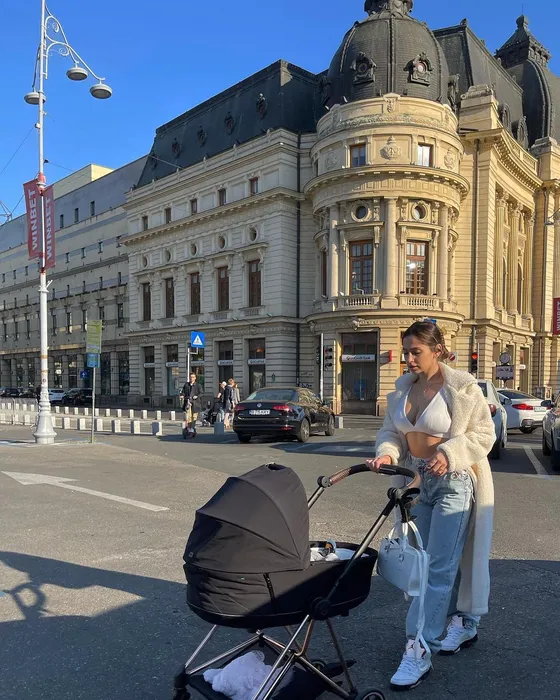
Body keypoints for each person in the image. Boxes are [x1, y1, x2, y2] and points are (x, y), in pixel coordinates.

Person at [366, 321, 495, 691]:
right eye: (406, 351)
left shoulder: (462, 387)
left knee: (439, 566)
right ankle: (460, 623)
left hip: (455, 481)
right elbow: (392, 433)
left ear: (437, 350)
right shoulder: (402, 390)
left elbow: (484, 434)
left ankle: (419, 647)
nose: (408, 358)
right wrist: (387, 453)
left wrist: (450, 452)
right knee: (424, 566)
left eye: (415, 351)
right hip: (416, 482)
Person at [180, 373, 203, 439]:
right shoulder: (186, 385)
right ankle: (190, 430)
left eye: (193, 377)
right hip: (188, 402)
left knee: (194, 417)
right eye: (190, 377)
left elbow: (201, 393)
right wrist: (182, 395)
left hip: (196, 403)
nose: (191, 378)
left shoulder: (198, 385)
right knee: (188, 417)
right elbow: (183, 392)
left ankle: (192, 430)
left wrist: (197, 396)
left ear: (195, 378)